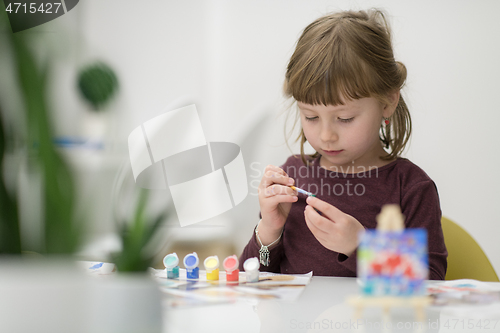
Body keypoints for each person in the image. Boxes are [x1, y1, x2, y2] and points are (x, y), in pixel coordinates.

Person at [239, 9, 447, 280]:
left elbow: (430, 283)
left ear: (387, 102)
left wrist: (360, 247)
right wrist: (269, 229)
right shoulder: (292, 176)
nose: (326, 135)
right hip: (295, 323)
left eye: (345, 118)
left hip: (373, 323)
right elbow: (250, 278)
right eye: (310, 116)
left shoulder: (410, 188)